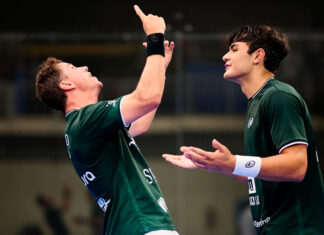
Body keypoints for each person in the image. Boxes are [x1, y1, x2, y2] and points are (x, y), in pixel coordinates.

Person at [163, 25, 324, 234]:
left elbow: (297, 166)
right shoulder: (257, 103)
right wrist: (218, 165)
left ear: (258, 56)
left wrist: (234, 162)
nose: (224, 56)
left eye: (234, 49)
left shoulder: (279, 97)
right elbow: (259, 175)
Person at [35, 5, 178, 235]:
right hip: (140, 227)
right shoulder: (86, 120)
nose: (84, 67)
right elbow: (148, 98)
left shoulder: (85, 125)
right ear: (66, 85)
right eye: (73, 67)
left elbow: (141, 121)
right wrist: (154, 38)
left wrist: (159, 65)